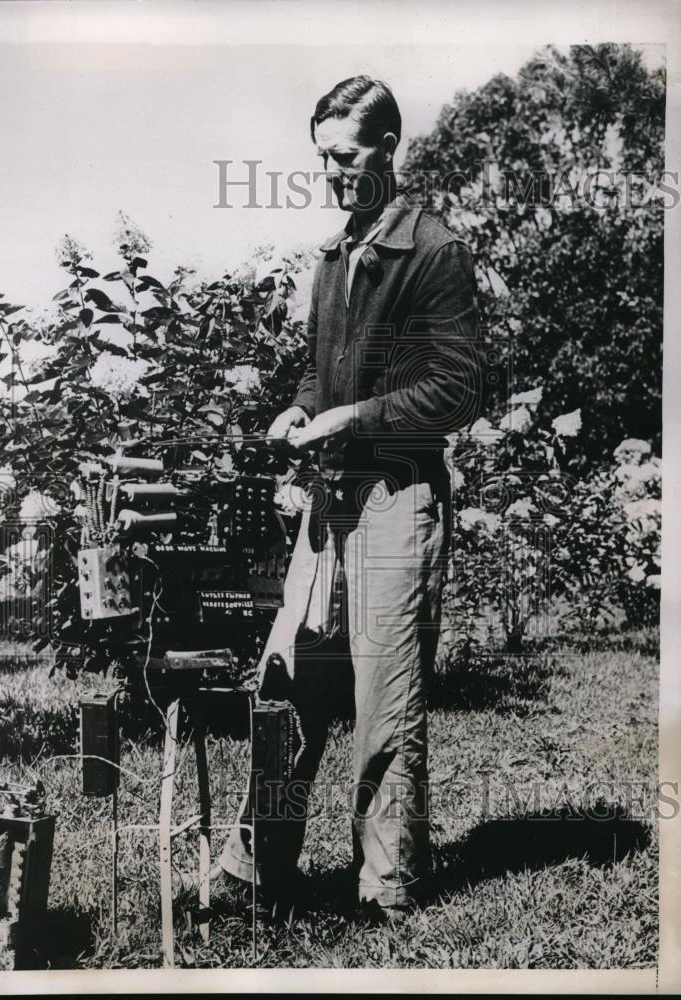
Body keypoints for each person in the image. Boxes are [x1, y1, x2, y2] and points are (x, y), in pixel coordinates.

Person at [218, 75, 482, 916]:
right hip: (330, 500)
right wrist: (301, 405)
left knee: (382, 698)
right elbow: (318, 369)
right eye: (320, 159)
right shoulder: (334, 256)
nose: (331, 173)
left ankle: (386, 884)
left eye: (344, 155)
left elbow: (458, 388)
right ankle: (256, 867)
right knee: (288, 680)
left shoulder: (433, 251)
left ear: (387, 147)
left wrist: (356, 415)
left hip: (397, 496)